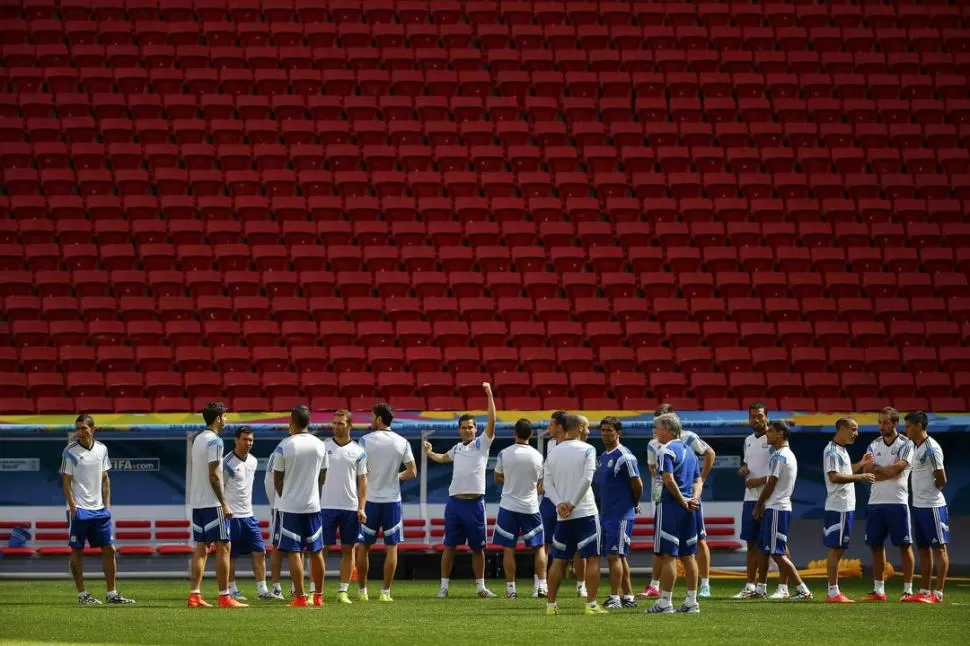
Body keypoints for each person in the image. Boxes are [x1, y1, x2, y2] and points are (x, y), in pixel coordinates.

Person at [426, 383, 498, 599]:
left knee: (478, 548)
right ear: (459, 429)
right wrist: (429, 452)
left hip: (475, 503)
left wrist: (489, 394)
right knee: (449, 546)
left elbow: (492, 421)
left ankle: (480, 587)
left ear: (476, 429)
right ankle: (444, 587)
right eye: (464, 427)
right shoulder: (457, 448)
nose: (468, 430)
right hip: (455, 503)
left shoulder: (482, 444)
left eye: (471, 427)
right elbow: (442, 458)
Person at [60, 414, 134, 606]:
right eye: (78, 428)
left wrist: (107, 505)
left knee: (109, 549)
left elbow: (105, 478)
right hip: (80, 510)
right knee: (77, 550)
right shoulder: (70, 451)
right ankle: (82, 594)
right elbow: (65, 482)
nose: (81, 432)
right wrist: (73, 507)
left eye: (84, 428)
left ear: (93, 429)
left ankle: (112, 594)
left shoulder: (102, 449)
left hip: (100, 510)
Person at [542, 414, 605, 616]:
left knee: (558, 560)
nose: (588, 431)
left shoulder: (553, 453)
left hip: (563, 516)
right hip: (585, 511)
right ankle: (591, 604)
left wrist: (560, 504)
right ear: (578, 428)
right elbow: (587, 479)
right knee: (593, 558)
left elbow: (547, 486)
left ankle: (551, 605)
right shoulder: (588, 449)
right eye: (586, 427)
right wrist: (572, 503)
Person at [357, 402, 417, 602]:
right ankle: (385, 593)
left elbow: (359, 472)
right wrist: (395, 476)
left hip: (370, 501)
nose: (370, 420)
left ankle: (362, 592)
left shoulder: (364, 440)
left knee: (364, 546)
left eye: (371, 416)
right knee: (392, 548)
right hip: (392, 501)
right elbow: (412, 472)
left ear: (379, 419)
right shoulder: (402, 442)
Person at [187, 402, 245, 608]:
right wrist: (225, 503)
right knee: (224, 547)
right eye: (225, 416)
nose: (227, 420)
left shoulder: (197, 439)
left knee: (201, 549)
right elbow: (213, 475)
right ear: (218, 418)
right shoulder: (216, 441)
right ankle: (224, 596)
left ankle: (194, 595)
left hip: (198, 502)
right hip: (212, 503)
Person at [272, 405, 328, 607]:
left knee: (294, 552)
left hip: (291, 507)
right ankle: (319, 596)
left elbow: (277, 479)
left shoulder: (284, 446)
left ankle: (300, 598)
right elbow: (323, 475)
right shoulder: (321, 445)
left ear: (291, 423)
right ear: (309, 422)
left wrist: (286, 495)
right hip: (313, 505)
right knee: (316, 551)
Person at [646, 412, 701, 614]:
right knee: (688, 556)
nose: (655, 433)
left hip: (670, 507)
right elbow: (698, 480)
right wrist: (693, 499)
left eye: (657, 428)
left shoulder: (665, 451)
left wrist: (682, 501)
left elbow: (668, 480)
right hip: (689, 509)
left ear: (667, 430)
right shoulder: (690, 451)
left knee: (669, 555)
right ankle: (692, 602)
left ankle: (665, 603)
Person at [753, 421, 813, 601]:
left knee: (777, 552)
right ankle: (761, 589)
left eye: (770, 431)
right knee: (765, 550)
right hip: (776, 507)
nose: (766, 434)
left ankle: (802, 589)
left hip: (777, 508)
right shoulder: (785, 454)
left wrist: (758, 504)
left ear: (780, 434)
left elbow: (771, 482)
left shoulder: (779, 456)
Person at [861, 406, 916, 601]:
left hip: (897, 502)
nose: (882, 426)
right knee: (875, 546)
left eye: (885, 422)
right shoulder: (873, 444)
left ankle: (908, 589)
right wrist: (885, 471)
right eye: (880, 422)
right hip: (875, 502)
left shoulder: (906, 444)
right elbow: (867, 470)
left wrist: (879, 471)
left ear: (895, 423)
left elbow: (898, 470)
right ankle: (879, 590)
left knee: (904, 545)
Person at [732, 402, 785, 600]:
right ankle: (751, 586)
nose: (756, 420)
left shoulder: (774, 440)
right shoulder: (747, 440)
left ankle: (783, 586)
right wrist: (743, 469)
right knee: (752, 543)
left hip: (771, 499)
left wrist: (759, 481)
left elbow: (778, 472)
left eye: (760, 416)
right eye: (753, 416)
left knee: (777, 544)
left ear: (767, 416)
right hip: (750, 499)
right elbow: (749, 464)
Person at [492, 418, 546, 599]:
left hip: (508, 506)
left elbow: (497, 477)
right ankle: (541, 587)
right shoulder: (538, 456)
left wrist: (510, 482)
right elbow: (540, 483)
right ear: (531, 434)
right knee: (538, 547)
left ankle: (511, 589)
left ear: (514, 433)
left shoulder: (504, 454)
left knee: (509, 548)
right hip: (530, 506)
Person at [822, 417, 874, 603]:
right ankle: (833, 592)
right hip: (839, 506)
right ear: (841, 429)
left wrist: (859, 465)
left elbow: (844, 470)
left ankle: (833, 591)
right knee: (836, 549)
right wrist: (861, 476)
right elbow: (835, 476)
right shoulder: (831, 451)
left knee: (839, 548)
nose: (856, 433)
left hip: (844, 506)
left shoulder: (841, 451)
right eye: (853, 429)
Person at [320, 410, 368, 605]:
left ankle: (343, 591)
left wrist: (362, 507)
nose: (336, 426)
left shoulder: (358, 451)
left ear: (349, 425)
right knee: (320, 549)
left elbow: (363, 481)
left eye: (340, 423)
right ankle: (316, 591)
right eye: (334, 423)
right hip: (325, 506)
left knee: (348, 550)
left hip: (350, 507)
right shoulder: (322, 448)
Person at [223, 426, 275, 601]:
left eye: (251, 440)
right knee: (231, 556)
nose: (248, 443)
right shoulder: (227, 462)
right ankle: (231, 589)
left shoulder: (252, 461)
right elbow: (218, 487)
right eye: (245, 439)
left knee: (260, 552)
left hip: (249, 516)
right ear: (236, 440)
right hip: (231, 517)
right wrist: (224, 508)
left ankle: (262, 590)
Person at [596, 416, 642, 610]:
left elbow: (637, 483)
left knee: (615, 555)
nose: (606, 434)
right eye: (603, 430)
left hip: (620, 514)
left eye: (610, 430)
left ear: (619, 433)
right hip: (607, 514)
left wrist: (634, 503)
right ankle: (629, 597)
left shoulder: (625, 456)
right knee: (618, 556)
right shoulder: (604, 455)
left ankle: (614, 597)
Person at [540, 410, 586, 599]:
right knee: (545, 542)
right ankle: (542, 584)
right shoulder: (550, 444)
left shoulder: (580, 446)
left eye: (551, 424)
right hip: (551, 500)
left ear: (560, 426)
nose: (548, 428)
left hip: (572, 501)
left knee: (578, 546)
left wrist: (570, 502)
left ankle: (581, 584)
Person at [904, 411, 949, 604]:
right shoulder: (916, 447)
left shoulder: (931, 448)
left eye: (908, 426)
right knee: (923, 548)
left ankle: (937, 593)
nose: (906, 430)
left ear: (919, 426)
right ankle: (924, 591)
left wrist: (932, 493)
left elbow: (942, 478)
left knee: (939, 548)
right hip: (919, 506)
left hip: (933, 506)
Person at [263, 432, 286, 600]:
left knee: (299, 547)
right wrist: (276, 503)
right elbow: (269, 481)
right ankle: (277, 587)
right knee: (277, 546)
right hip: (282, 507)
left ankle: (296, 588)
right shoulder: (280, 450)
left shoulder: (314, 448)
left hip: (303, 507)